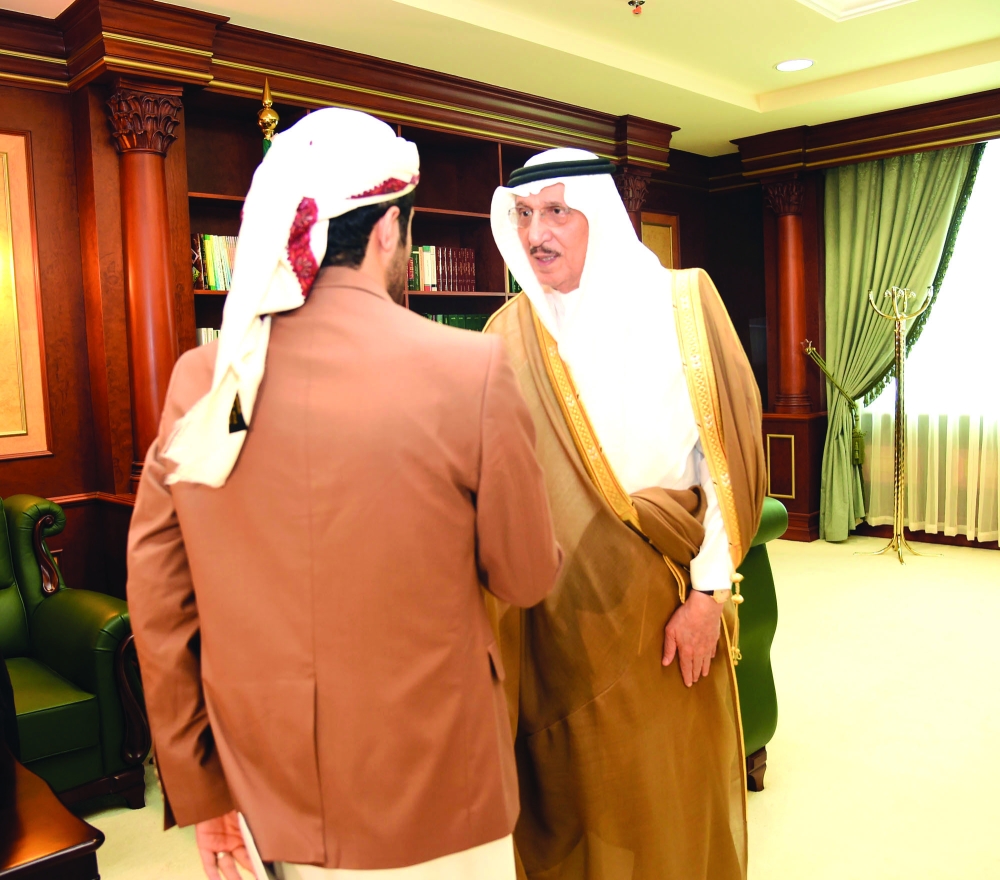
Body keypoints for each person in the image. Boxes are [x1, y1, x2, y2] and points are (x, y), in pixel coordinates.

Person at [126, 109, 562, 880]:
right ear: (390, 229)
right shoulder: (470, 369)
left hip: (261, 784)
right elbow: (526, 577)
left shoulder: (201, 379)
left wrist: (202, 788)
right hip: (435, 789)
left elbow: (159, 601)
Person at [483, 148, 766, 880]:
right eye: (523, 214)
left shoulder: (682, 306)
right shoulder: (507, 333)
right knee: (570, 795)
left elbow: (725, 462)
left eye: (556, 211)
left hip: (661, 604)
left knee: (666, 787)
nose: (536, 233)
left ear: (600, 217)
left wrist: (708, 597)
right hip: (550, 619)